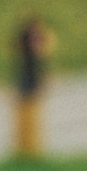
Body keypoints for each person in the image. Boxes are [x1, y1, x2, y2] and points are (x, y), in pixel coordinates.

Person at [12, 14, 54, 159]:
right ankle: (28, 148)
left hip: (26, 85)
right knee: (29, 118)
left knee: (29, 117)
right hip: (28, 85)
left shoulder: (28, 50)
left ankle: (29, 147)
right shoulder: (30, 54)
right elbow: (36, 69)